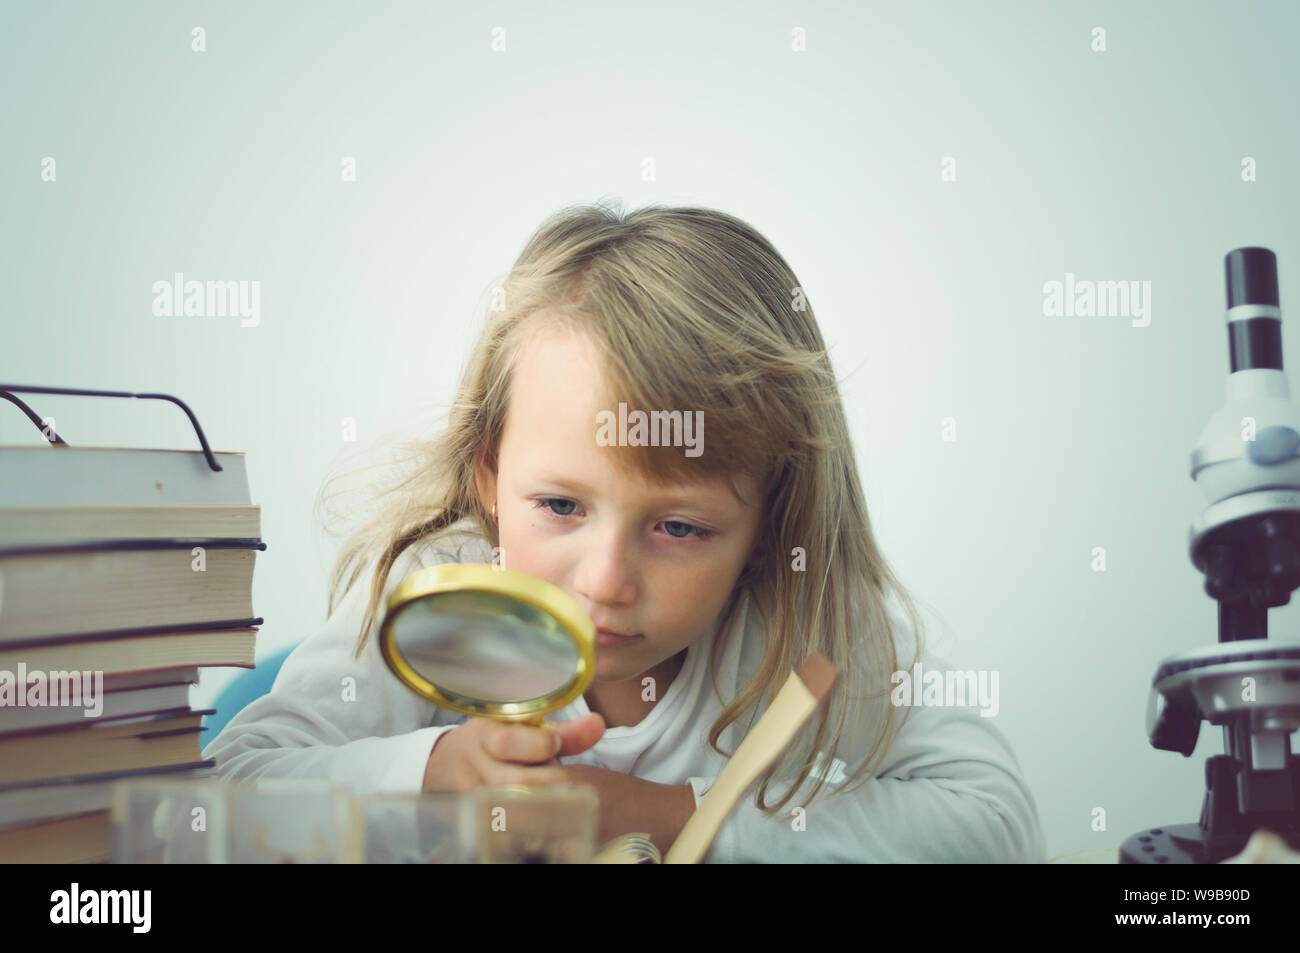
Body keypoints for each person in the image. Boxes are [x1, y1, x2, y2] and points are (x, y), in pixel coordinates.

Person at [204, 201, 1047, 863]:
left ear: (767, 524)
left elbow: (996, 823)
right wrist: (430, 775)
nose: (605, 579)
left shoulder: (808, 618)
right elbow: (225, 795)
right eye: (562, 507)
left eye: (679, 525)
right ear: (489, 473)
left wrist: (679, 819)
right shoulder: (441, 586)